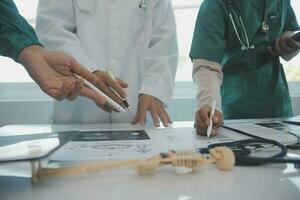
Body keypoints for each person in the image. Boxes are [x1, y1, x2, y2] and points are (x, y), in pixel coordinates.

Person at [36, 0, 178, 126]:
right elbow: (52, 30)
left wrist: (153, 90)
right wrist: (89, 72)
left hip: (135, 114)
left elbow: (164, 42)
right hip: (78, 112)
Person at [190, 0, 300, 136]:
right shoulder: (215, 4)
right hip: (234, 110)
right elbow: (207, 65)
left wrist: (288, 43)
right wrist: (209, 104)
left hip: (276, 108)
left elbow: (288, 29)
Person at [0, 0, 126, 109]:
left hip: (136, 100)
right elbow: (52, 27)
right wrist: (87, 70)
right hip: (73, 95)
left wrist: (147, 87)